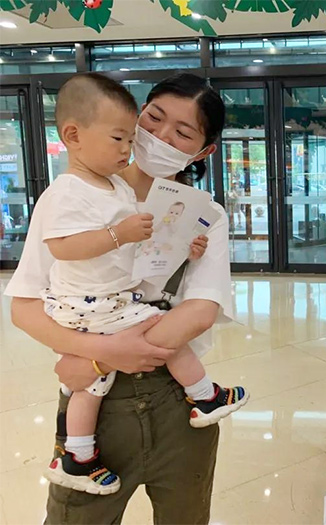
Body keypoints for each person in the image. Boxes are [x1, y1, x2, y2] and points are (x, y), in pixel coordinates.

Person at [6, 73, 234, 524]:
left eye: (183, 132)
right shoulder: (72, 199)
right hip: (95, 413)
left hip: (179, 404)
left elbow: (200, 310)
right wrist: (97, 355)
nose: (158, 136)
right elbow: (24, 305)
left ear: (203, 151)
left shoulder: (206, 215)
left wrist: (95, 360)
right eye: (153, 118)